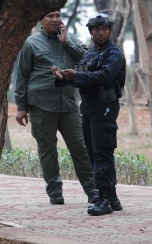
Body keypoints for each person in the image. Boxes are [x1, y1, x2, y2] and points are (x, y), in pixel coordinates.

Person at [15, 11, 98, 205]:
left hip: (68, 103)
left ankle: (93, 190)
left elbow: (88, 60)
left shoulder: (70, 39)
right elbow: (22, 76)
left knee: (81, 147)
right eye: (50, 16)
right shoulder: (31, 43)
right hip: (41, 104)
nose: (55, 19)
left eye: (58, 15)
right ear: (40, 20)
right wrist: (21, 107)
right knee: (47, 150)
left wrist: (66, 42)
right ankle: (55, 191)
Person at [53, 13, 125, 216]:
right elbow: (81, 75)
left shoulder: (114, 53)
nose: (100, 32)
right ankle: (111, 197)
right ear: (91, 32)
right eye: (96, 29)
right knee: (94, 154)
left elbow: (104, 75)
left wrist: (76, 75)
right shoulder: (90, 54)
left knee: (103, 152)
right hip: (89, 107)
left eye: (104, 29)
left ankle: (103, 200)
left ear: (110, 31)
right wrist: (62, 77)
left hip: (106, 107)